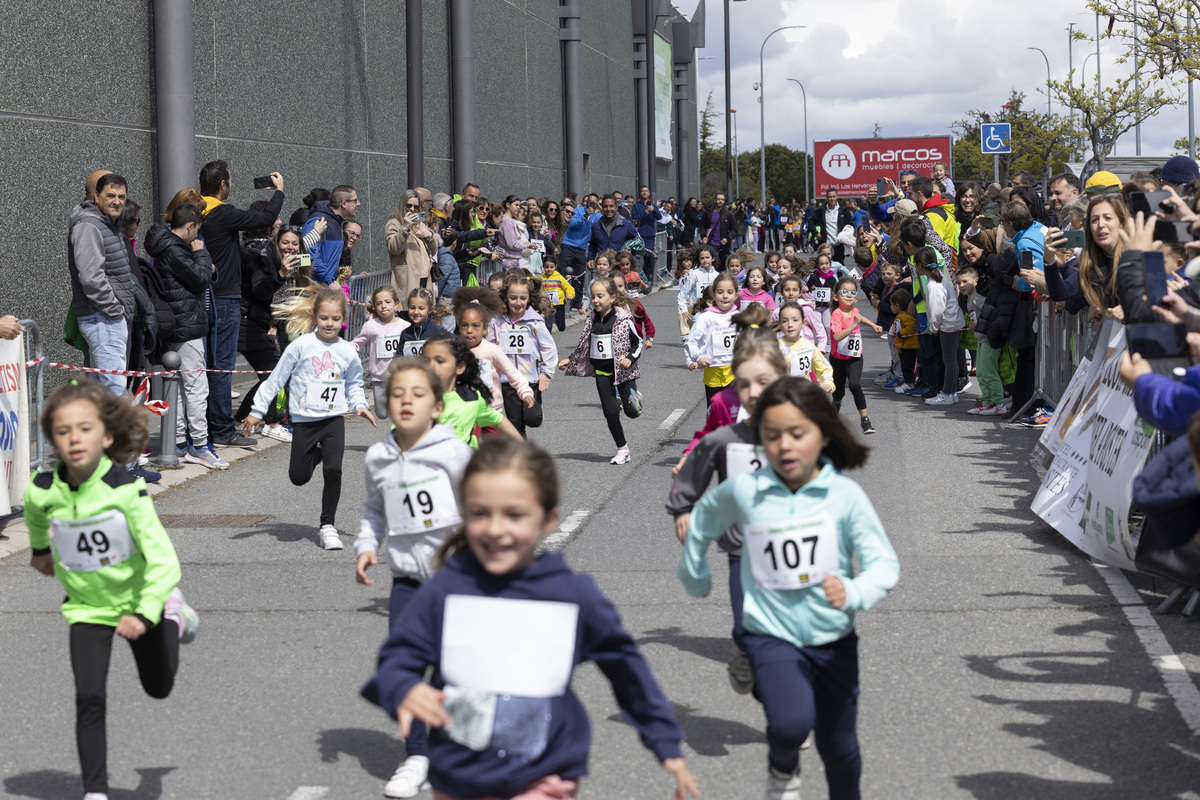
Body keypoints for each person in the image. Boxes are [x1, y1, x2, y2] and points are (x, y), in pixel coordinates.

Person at [361, 437, 699, 800]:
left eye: (514, 514)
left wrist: (666, 743)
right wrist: (403, 688)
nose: (494, 528)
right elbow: (398, 656)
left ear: (549, 518)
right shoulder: (446, 590)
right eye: (479, 513)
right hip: (457, 775)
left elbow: (627, 669)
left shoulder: (571, 597)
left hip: (543, 774)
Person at [679, 377, 898, 798]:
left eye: (797, 434)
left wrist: (853, 593)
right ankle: (783, 771)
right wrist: (695, 573)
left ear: (822, 432)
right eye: (772, 435)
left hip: (832, 639)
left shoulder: (844, 496)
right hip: (770, 634)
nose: (784, 446)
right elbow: (703, 520)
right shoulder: (747, 489)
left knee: (840, 750)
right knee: (789, 723)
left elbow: (883, 563)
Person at [24, 380, 199, 800]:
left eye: (84, 429)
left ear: (105, 436)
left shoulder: (125, 489)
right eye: (63, 431)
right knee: (88, 695)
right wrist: (40, 549)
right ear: (53, 439)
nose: (74, 439)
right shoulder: (44, 488)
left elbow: (163, 560)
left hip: (142, 601)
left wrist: (145, 612)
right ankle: (96, 791)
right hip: (87, 608)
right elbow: (33, 514)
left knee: (159, 687)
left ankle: (175, 616)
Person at [355, 357, 474, 799]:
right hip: (406, 580)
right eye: (397, 393)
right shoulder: (378, 456)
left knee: (447, 671)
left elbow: (479, 505)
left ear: (438, 407)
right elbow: (373, 509)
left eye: (417, 394)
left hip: (454, 581)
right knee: (401, 667)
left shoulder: (452, 453)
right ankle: (417, 756)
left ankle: (447, 747)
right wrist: (367, 545)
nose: (406, 401)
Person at [667, 324, 790, 697]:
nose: (754, 392)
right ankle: (744, 651)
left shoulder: (801, 419)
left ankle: (787, 706)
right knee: (746, 624)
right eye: (745, 382)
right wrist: (683, 507)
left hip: (791, 540)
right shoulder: (726, 419)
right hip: (741, 542)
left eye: (764, 382)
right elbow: (705, 450)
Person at [242, 287, 376, 550]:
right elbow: (275, 380)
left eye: (335, 319)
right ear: (315, 317)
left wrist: (359, 404)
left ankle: (328, 525)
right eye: (324, 318)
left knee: (334, 469)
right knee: (298, 476)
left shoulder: (347, 351)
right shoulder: (301, 346)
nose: (330, 323)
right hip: (304, 422)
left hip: (333, 419)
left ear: (343, 319)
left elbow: (354, 384)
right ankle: (319, 452)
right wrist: (257, 412)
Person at [198, 161, 284, 447]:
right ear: (223, 183)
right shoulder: (222, 212)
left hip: (205, 295)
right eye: (230, 180)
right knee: (222, 368)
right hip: (224, 299)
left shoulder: (197, 209)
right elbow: (265, 217)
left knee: (209, 366)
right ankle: (222, 430)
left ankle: (207, 427)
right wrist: (279, 191)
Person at [144, 199, 226, 468]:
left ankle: (178, 442)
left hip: (175, 322)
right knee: (195, 386)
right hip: (186, 324)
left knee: (176, 385)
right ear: (190, 226)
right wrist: (202, 254)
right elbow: (200, 279)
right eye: (197, 231)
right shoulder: (177, 250)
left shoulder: (165, 245)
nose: (198, 237)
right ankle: (200, 445)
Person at [558, 277, 644, 464]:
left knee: (632, 412)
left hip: (623, 373)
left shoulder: (623, 318)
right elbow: (584, 345)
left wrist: (630, 358)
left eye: (600, 296)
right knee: (610, 412)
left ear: (612, 298)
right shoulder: (591, 319)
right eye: (593, 296)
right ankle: (622, 449)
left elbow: (638, 342)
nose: (595, 300)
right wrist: (570, 358)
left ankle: (635, 396)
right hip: (602, 373)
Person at [68, 173, 136, 396]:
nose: (117, 201)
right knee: (114, 393)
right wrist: (116, 310)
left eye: (122, 196)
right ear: (96, 197)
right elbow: (91, 279)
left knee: (102, 395)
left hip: (106, 318)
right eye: (110, 196)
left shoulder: (108, 224)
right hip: (103, 319)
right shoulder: (89, 225)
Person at [237, 221, 300, 442]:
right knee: (273, 371)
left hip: (266, 321)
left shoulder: (297, 265)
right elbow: (266, 293)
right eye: (285, 242)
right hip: (252, 321)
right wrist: (281, 272)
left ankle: (240, 418)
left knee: (269, 373)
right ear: (275, 241)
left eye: (295, 244)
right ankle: (272, 423)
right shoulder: (265, 260)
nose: (290, 247)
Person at [421, 331, 522, 447]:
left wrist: (524, 448)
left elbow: (498, 420)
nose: (431, 366)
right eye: (425, 361)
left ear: (459, 367)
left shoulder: (472, 399)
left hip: (466, 463)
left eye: (440, 361)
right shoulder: (414, 398)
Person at [488, 273, 557, 436]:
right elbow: (488, 345)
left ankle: (536, 415)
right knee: (515, 424)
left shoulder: (535, 322)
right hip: (508, 379)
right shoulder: (497, 322)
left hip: (530, 378)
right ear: (505, 298)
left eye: (522, 298)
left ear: (528, 299)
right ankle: (521, 455)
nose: (518, 303)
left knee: (532, 418)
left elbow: (549, 347)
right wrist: (493, 348)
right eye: (513, 298)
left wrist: (546, 373)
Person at [829, 276, 881, 433]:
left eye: (852, 292)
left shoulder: (855, 311)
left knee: (855, 385)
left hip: (855, 358)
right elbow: (837, 336)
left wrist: (873, 325)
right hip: (838, 359)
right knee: (838, 392)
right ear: (836, 297)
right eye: (844, 292)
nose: (849, 295)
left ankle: (865, 421)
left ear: (856, 299)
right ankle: (836, 404)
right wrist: (854, 325)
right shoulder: (836, 315)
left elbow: (859, 317)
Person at [351, 285, 412, 418]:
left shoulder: (405, 326)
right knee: (382, 414)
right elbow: (357, 343)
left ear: (396, 304)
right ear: (374, 307)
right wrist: (340, 348)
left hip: (400, 377)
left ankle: (400, 433)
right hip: (379, 377)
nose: (383, 306)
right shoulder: (370, 326)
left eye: (387, 302)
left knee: (402, 413)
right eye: (379, 303)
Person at [915, 247, 965, 407]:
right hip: (951, 323)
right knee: (951, 360)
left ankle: (947, 393)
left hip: (947, 325)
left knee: (949, 360)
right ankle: (951, 393)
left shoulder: (933, 285)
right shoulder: (939, 278)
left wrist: (934, 328)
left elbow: (937, 311)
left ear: (921, 266)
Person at [685, 271, 741, 404]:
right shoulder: (705, 318)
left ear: (736, 295)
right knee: (715, 413)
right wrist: (698, 357)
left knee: (733, 413)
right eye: (720, 292)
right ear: (713, 294)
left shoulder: (739, 317)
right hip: (713, 372)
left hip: (735, 371)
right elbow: (691, 341)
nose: (725, 296)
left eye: (729, 292)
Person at [302, 184, 359, 286]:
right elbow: (309, 255)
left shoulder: (336, 222)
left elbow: (325, 256)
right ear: (344, 203)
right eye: (355, 201)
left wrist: (335, 271)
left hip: (324, 287)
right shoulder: (319, 220)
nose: (358, 204)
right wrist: (329, 280)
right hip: (313, 289)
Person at [387, 190, 439, 300]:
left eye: (415, 207)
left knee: (424, 313)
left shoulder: (420, 224)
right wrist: (405, 227)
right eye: (408, 205)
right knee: (409, 313)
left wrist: (430, 236)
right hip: (408, 278)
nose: (412, 209)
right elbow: (394, 249)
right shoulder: (394, 223)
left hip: (425, 277)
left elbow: (433, 251)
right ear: (402, 204)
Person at [777, 302, 834, 392]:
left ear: (804, 323)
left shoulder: (808, 346)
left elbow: (823, 368)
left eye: (795, 320)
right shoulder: (774, 348)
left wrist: (828, 382)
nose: (790, 324)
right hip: (782, 397)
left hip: (804, 395)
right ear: (779, 325)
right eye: (785, 321)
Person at [587, 195, 639, 270]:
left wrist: (631, 251)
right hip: (604, 269)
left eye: (611, 206)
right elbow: (593, 244)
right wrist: (590, 258)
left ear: (616, 206)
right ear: (602, 207)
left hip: (621, 268)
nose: (608, 209)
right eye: (605, 206)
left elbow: (638, 242)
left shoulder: (626, 224)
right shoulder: (596, 226)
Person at [678, 245, 719, 338]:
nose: (705, 260)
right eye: (702, 258)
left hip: (713, 312)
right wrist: (684, 310)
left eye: (707, 257)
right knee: (700, 336)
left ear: (712, 258)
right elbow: (682, 294)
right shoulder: (694, 274)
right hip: (698, 312)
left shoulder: (717, 276)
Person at [809, 189, 854, 263]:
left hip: (839, 245)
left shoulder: (844, 210)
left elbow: (850, 225)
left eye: (833, 196)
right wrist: (816, 233)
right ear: (826, 197)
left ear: (837, 197)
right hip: (826, 245)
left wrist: (846, 236)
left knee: (838, 268)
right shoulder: (821, 210)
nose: (832, 199)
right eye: (830, 197)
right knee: (826, 267)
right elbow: (811, 222)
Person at [611, 272, 655, 345]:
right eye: (613, 286)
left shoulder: (634, 304)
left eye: (620, 286)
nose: (617, 289)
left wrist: (649, 338)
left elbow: (647, 320)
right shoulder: (606, 306)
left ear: (625, 287)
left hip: (633, 343)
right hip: (614, 343)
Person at [632, 185, 659, 285]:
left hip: (650, 235)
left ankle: (647, 277)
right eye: (642, 191)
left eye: (646, 191)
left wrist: (654, 210)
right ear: (640, 193)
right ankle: (636, 277)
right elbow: (635, 218)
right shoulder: (636, 206)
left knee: (648, 257)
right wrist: (645, 213)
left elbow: (659, 217)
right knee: (636, 257)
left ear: (649, 193)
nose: (644, 193)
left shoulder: (652, 205)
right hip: (639, 235)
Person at [539, 255, 575, 331]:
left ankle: (561, 326)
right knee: (548, 324)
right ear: (543, 267)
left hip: (559, 303)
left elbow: (568, 287)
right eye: (546, 267)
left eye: (551, 267)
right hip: (547, 304)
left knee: (560, 323)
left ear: (555, 267)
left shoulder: (559, 277)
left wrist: (570, 294)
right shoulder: (542, 278)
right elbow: (538, 289)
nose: (549, 269)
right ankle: (548, 334)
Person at [703, 193, 737, 267]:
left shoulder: (729, 214)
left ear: (724, 201)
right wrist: (703, 236)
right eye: (718, 199)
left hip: (724, 244)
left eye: (722, 199)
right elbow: (702, 225)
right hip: (711, 242)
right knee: (715, 262)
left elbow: (734, 229)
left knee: (723, 264)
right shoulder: (708, 213)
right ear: (715, 200)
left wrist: (727, 238)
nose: (720, 201)